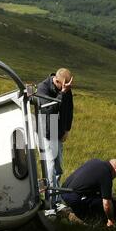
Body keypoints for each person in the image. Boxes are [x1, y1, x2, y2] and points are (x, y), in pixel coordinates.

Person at [37, 68, 74, 204]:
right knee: (50, 165)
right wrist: (62, 94)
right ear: (57, 80)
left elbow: (69, 109)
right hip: (46, 130)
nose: (66, 88)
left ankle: (56, 196)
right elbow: (48, 109)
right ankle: (51, 200)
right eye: (64, 85)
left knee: (58, 167)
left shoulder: (66, 88)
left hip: (58, 130)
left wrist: (67, 129)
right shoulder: (43, 88)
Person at [60, 158, 116, 227]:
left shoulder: (95, 161)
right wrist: (111, 220)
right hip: (73, 198)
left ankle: (70, 210)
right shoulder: (106, 174)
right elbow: (106, 204)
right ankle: (72, 214)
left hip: (63, 191)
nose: (114, 178)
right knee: (102, 205)